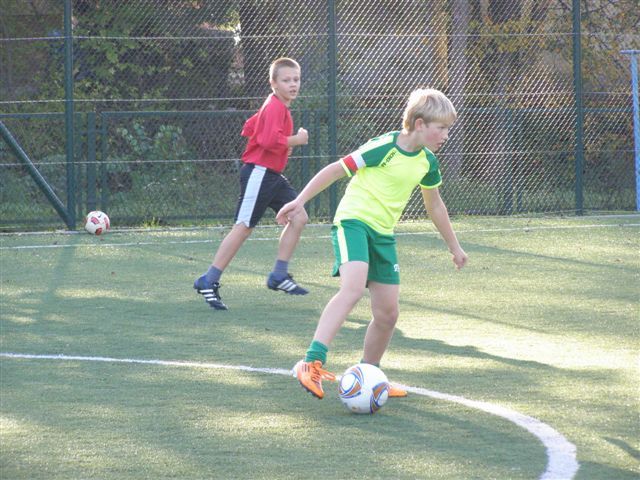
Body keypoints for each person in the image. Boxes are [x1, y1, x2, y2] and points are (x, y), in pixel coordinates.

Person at [276, 88, 468, 399]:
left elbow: (435, 205)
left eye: (448, 129)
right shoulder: (384, 147)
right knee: (352, 289)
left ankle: (370, 374)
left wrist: (454, 247)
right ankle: (311, 362)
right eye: (442, 128)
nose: (446, 135)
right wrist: (299, 201)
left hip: (383, 234)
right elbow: (336, 169)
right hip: (353, 222)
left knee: (388, 314)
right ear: (420, 124)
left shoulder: (427, 162)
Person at [194, 57, 310, 311]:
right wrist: (296, 140)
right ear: (273, 83)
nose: (293, 84)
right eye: (286, 80)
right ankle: (208, 280)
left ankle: (279, 274)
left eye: (296, 79)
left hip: (272, 176)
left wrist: (280, 142)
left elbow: (251, 128)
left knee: (298, 216)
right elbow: (268, 141)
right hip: (260, 173)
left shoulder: (277, 106)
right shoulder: (275, 106)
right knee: (243, 227)